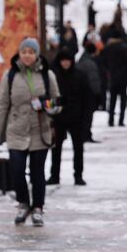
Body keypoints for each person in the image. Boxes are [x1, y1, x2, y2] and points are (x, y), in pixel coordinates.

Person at [0, 38, 61, 227]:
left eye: (31, 52)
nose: (27, 55)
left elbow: (57, 102)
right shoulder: (10, 76)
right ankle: (23, 203)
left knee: (38, 172)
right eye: (24, 52)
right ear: (19, 54)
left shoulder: (48, 75)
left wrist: (47, 104)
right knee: (17, 170)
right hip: (16, 130)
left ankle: (37, 207)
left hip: (40, 130)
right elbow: (2, 104)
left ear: (37, 54)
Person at [48, 47, 92, 186]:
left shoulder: (80, 76)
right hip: (59, 118)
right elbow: (50, 98)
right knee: (56, 149)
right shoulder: (54, 77)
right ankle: (55, 175)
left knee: (78, 149)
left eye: (68, 61)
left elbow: (87, 99)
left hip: (76, 118)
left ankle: (78, 175)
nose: (65, 63)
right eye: (63, 61)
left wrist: (86, 120)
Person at [100, 31, 127, 127]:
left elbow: (104, 62)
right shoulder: (124, 48)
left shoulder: (108, 48)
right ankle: (121, 120)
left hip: (112, 77)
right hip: (123, 77)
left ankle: (111, 120)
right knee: (123, 99)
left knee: (112, 99)